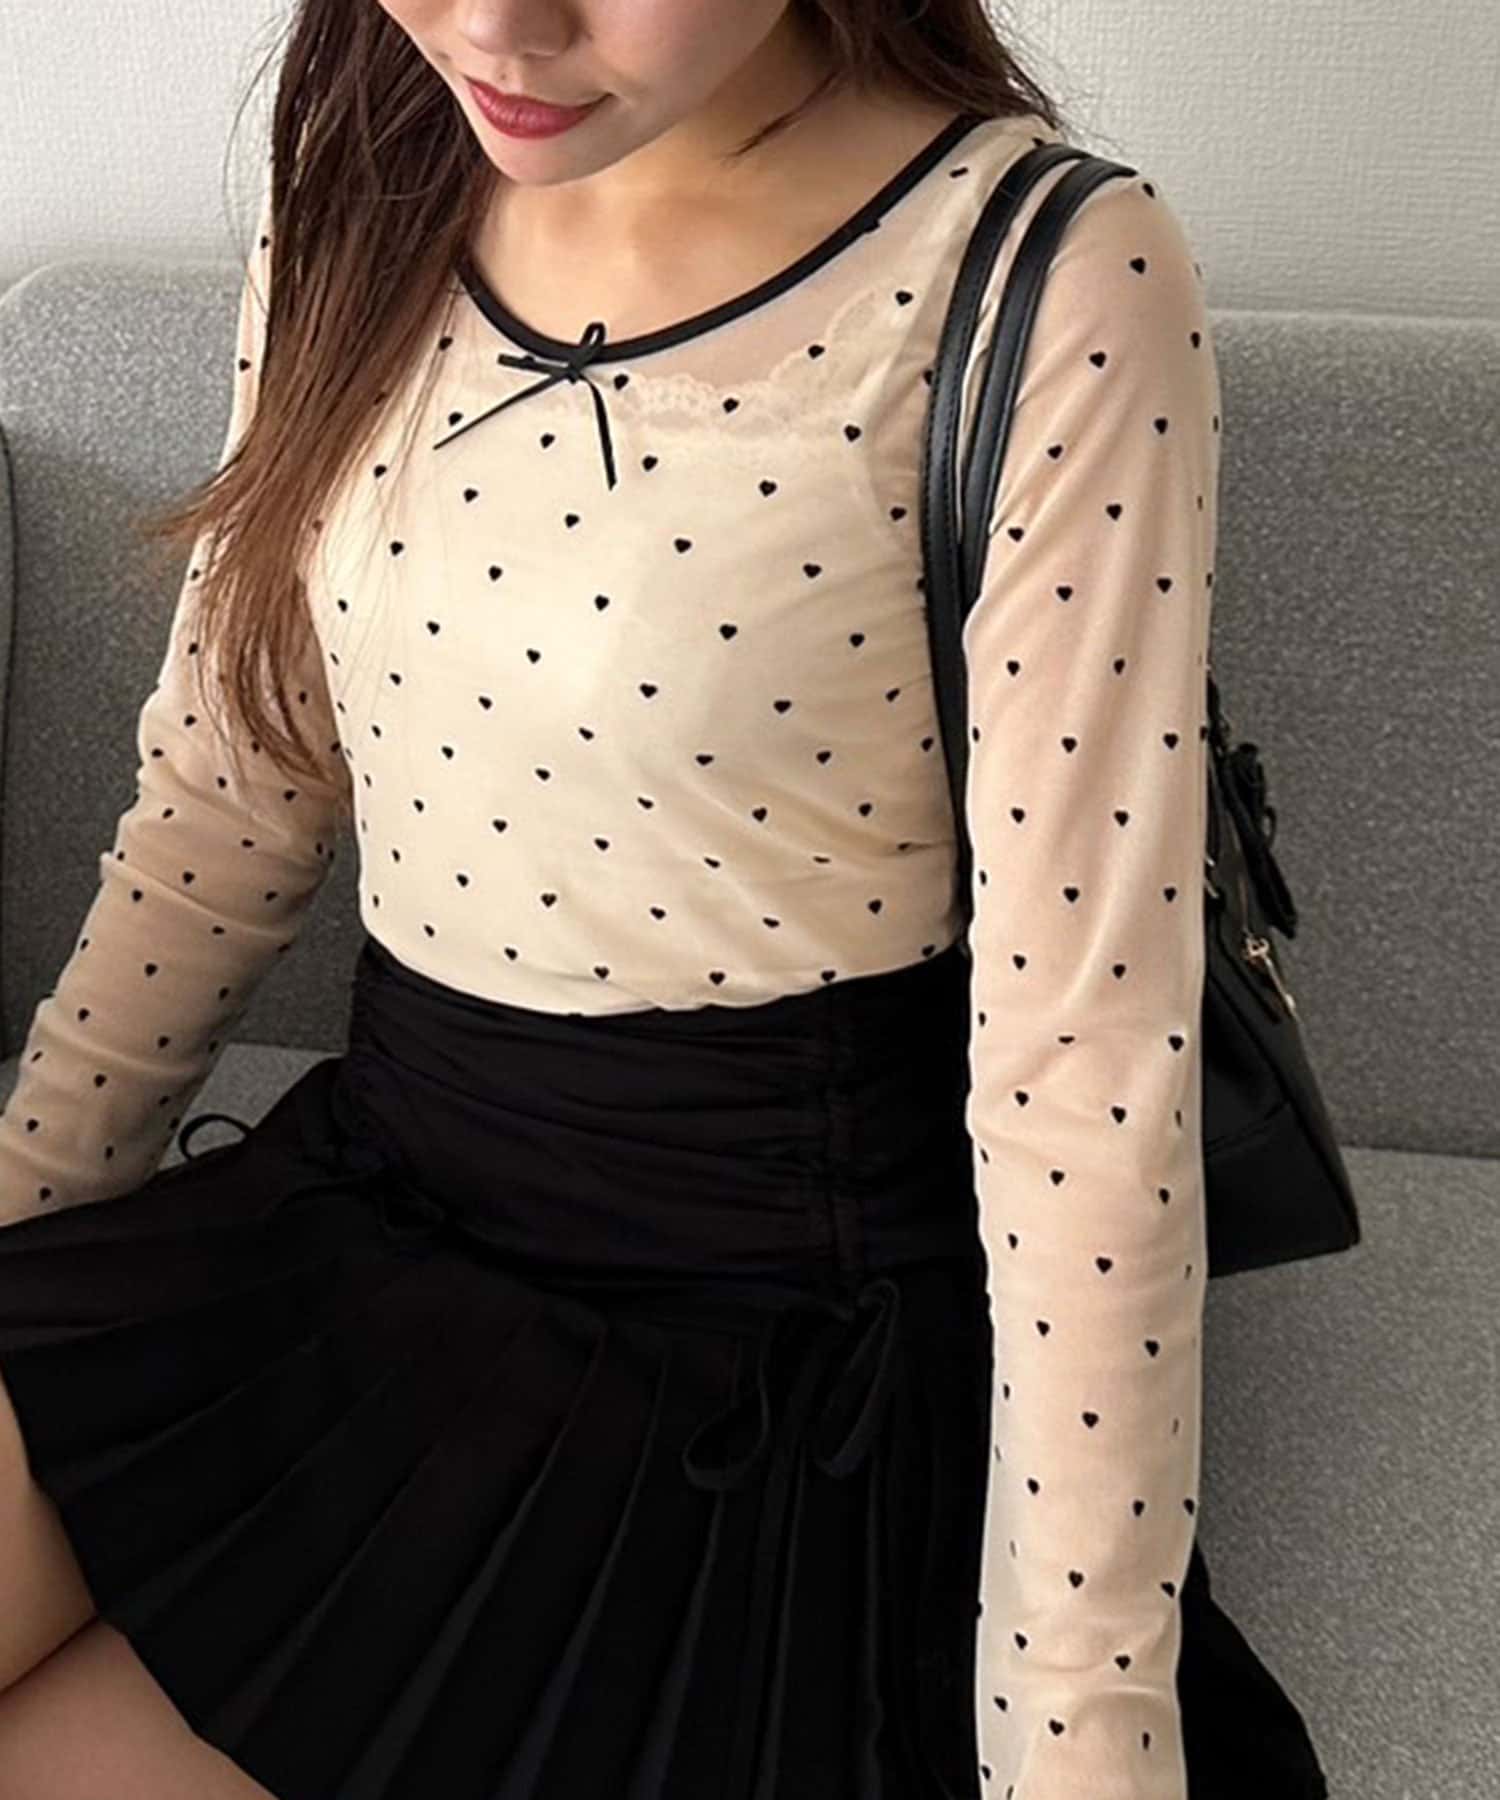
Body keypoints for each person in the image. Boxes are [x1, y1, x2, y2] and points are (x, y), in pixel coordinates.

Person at [0, 2, 1330, 1796]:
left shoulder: (1046, 276)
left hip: (746, 1374)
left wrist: (1083, 1735)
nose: (498, 25)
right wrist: (31, 1238)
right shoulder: (370, 175)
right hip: (366, 1219)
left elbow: (1084, 1075)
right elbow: (231, 791)